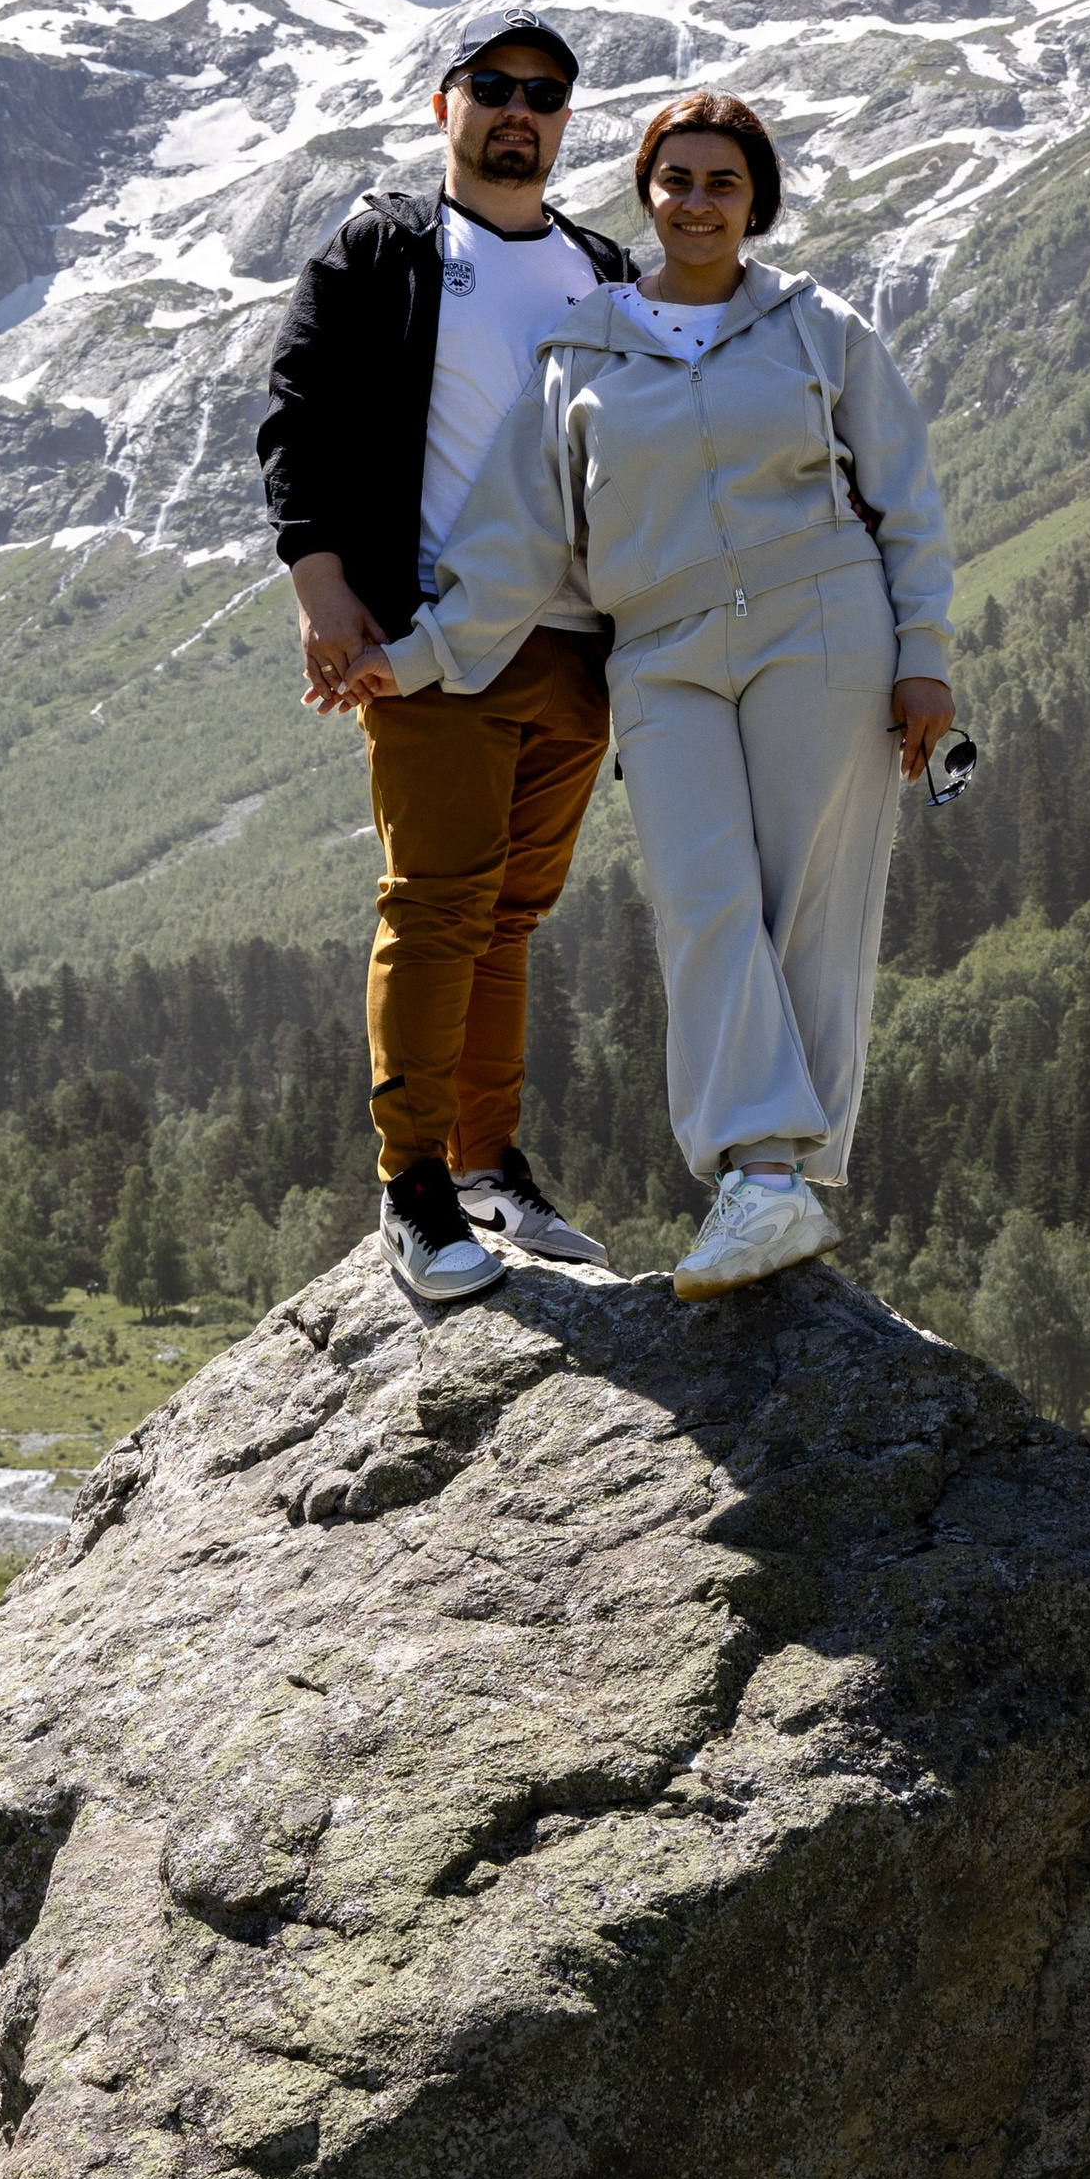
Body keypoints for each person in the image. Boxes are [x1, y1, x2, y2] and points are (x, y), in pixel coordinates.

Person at [330, 90, 954, 1301]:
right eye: (675, 180)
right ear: (646, 194)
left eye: (722, 182)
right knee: (701, 898)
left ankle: (765, 1179)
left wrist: (923, 652)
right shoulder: (585, 347)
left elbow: (908, 500)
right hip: (658, 648)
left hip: (823, 624)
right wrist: (409, 659)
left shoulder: (819, 326)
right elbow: (515, 544)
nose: (697, 202)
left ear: (753, 199)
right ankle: (762, 1179)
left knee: (807, 905)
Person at [257, 9, 631, 1304]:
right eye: (495, 87)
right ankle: (411, 1188)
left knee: (512, 916)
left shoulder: (602, 267)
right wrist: (322, 587)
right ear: (445, 107)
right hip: (432, 643)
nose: (519, 109)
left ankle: (486, 1169)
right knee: (437, 905)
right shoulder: (387, 251)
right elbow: (297, 416)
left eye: (545, 92)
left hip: (580, 653)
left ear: (565, 121)